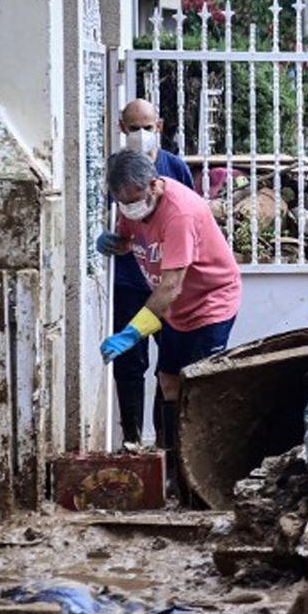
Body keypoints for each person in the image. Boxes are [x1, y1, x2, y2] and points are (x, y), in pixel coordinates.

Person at [97, 150, 242, 480]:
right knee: (169, 380)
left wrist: (132, 333)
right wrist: (113, 243)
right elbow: (129, 240)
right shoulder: (132, 204)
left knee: (199, 384)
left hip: (210, 302)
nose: (130, 209)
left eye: (134, 200)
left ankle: (204, 471)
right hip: (176, 309)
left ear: (153, 185)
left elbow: (171, 287)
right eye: (122, 202)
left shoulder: (181, 213)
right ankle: (173, 467)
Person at [107, 99, 193, 449]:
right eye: (133, 127)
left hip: (166, 285)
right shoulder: (115, 170)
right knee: (129, 363)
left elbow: (192, 218)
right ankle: (131, 440)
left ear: (159, 126)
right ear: (121, 128)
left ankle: (164, 445)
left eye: (147, 127)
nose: (140, 134)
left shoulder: (175, 168)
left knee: (169, 366)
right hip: (130, 281)